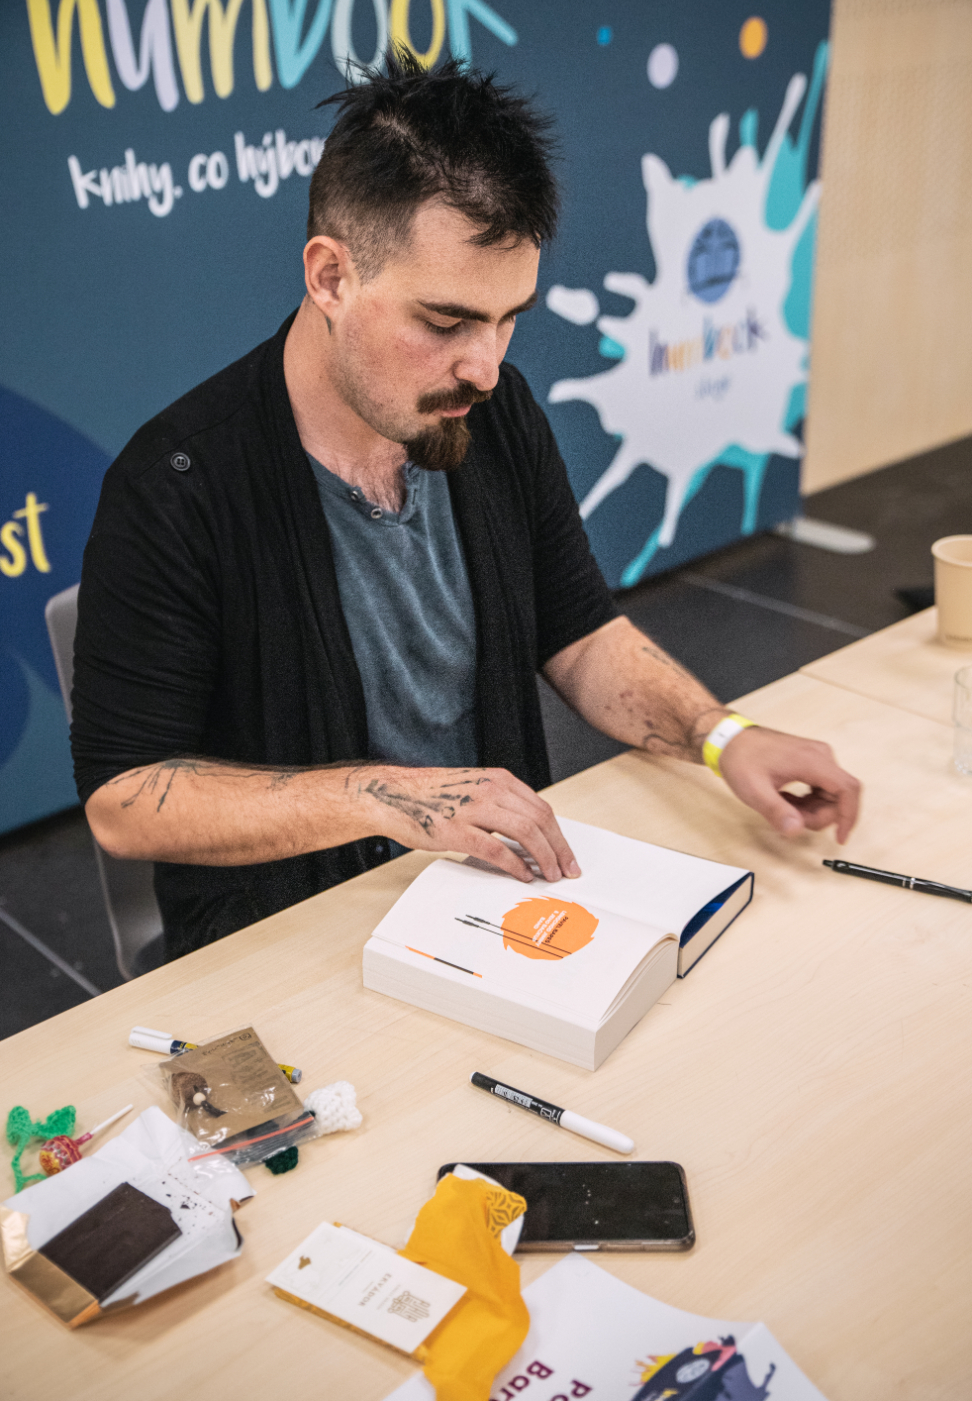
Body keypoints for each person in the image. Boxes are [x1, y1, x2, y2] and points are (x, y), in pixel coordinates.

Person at [72, 51, 860, 962]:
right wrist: (386, 798)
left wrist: (722, 737)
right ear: (331, 279)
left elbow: (580, 635)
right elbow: (124, 801)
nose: (485, 367)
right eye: (445, 323)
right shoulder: (178, 482)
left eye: (509, 316)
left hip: (497, 898)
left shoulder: (495, 412)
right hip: (289, 933)